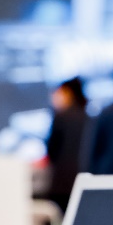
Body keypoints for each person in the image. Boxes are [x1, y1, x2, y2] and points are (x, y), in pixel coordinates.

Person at [44, 77, 90, 213]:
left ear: (69, 93)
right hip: (83, 180)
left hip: (62, 184)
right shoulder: (88, 117)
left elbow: (52, 150)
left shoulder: (61, 117)